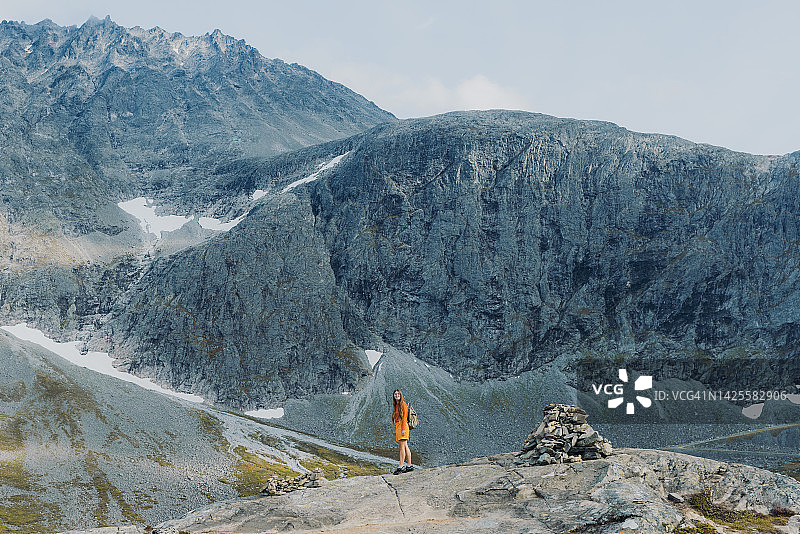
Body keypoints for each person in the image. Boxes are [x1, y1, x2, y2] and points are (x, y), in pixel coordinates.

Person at [391, 389, 414, 474]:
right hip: (399, 426)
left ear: (400, 395)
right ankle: (409, 465)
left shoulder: (403, 404)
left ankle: (401, 466)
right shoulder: (397, 405)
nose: (397, 395)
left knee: (401, 447)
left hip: (402, 426)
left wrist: (403, 429)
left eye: (398, 394)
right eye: (395, 394)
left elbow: (404, 417)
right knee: (405, 446)